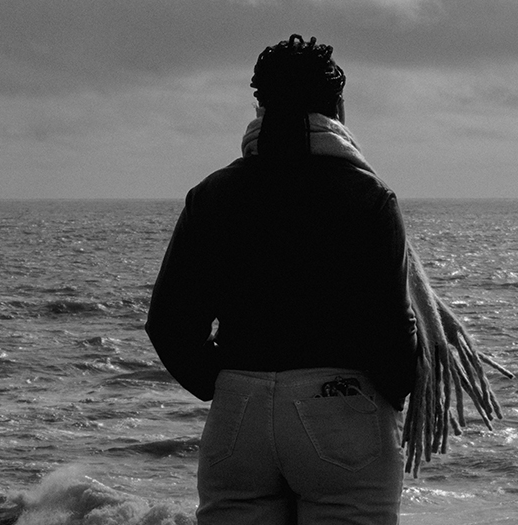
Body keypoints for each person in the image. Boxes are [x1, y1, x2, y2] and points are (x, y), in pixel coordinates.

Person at [146, 34, 418, 525]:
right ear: (337, 107)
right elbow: (392, 330)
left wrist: (224, 384)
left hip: (238, 413)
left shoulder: (213, 195)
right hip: (341, 409)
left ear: (260, 105)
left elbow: (167, 322)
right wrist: (392, 392)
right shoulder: (369, 197)